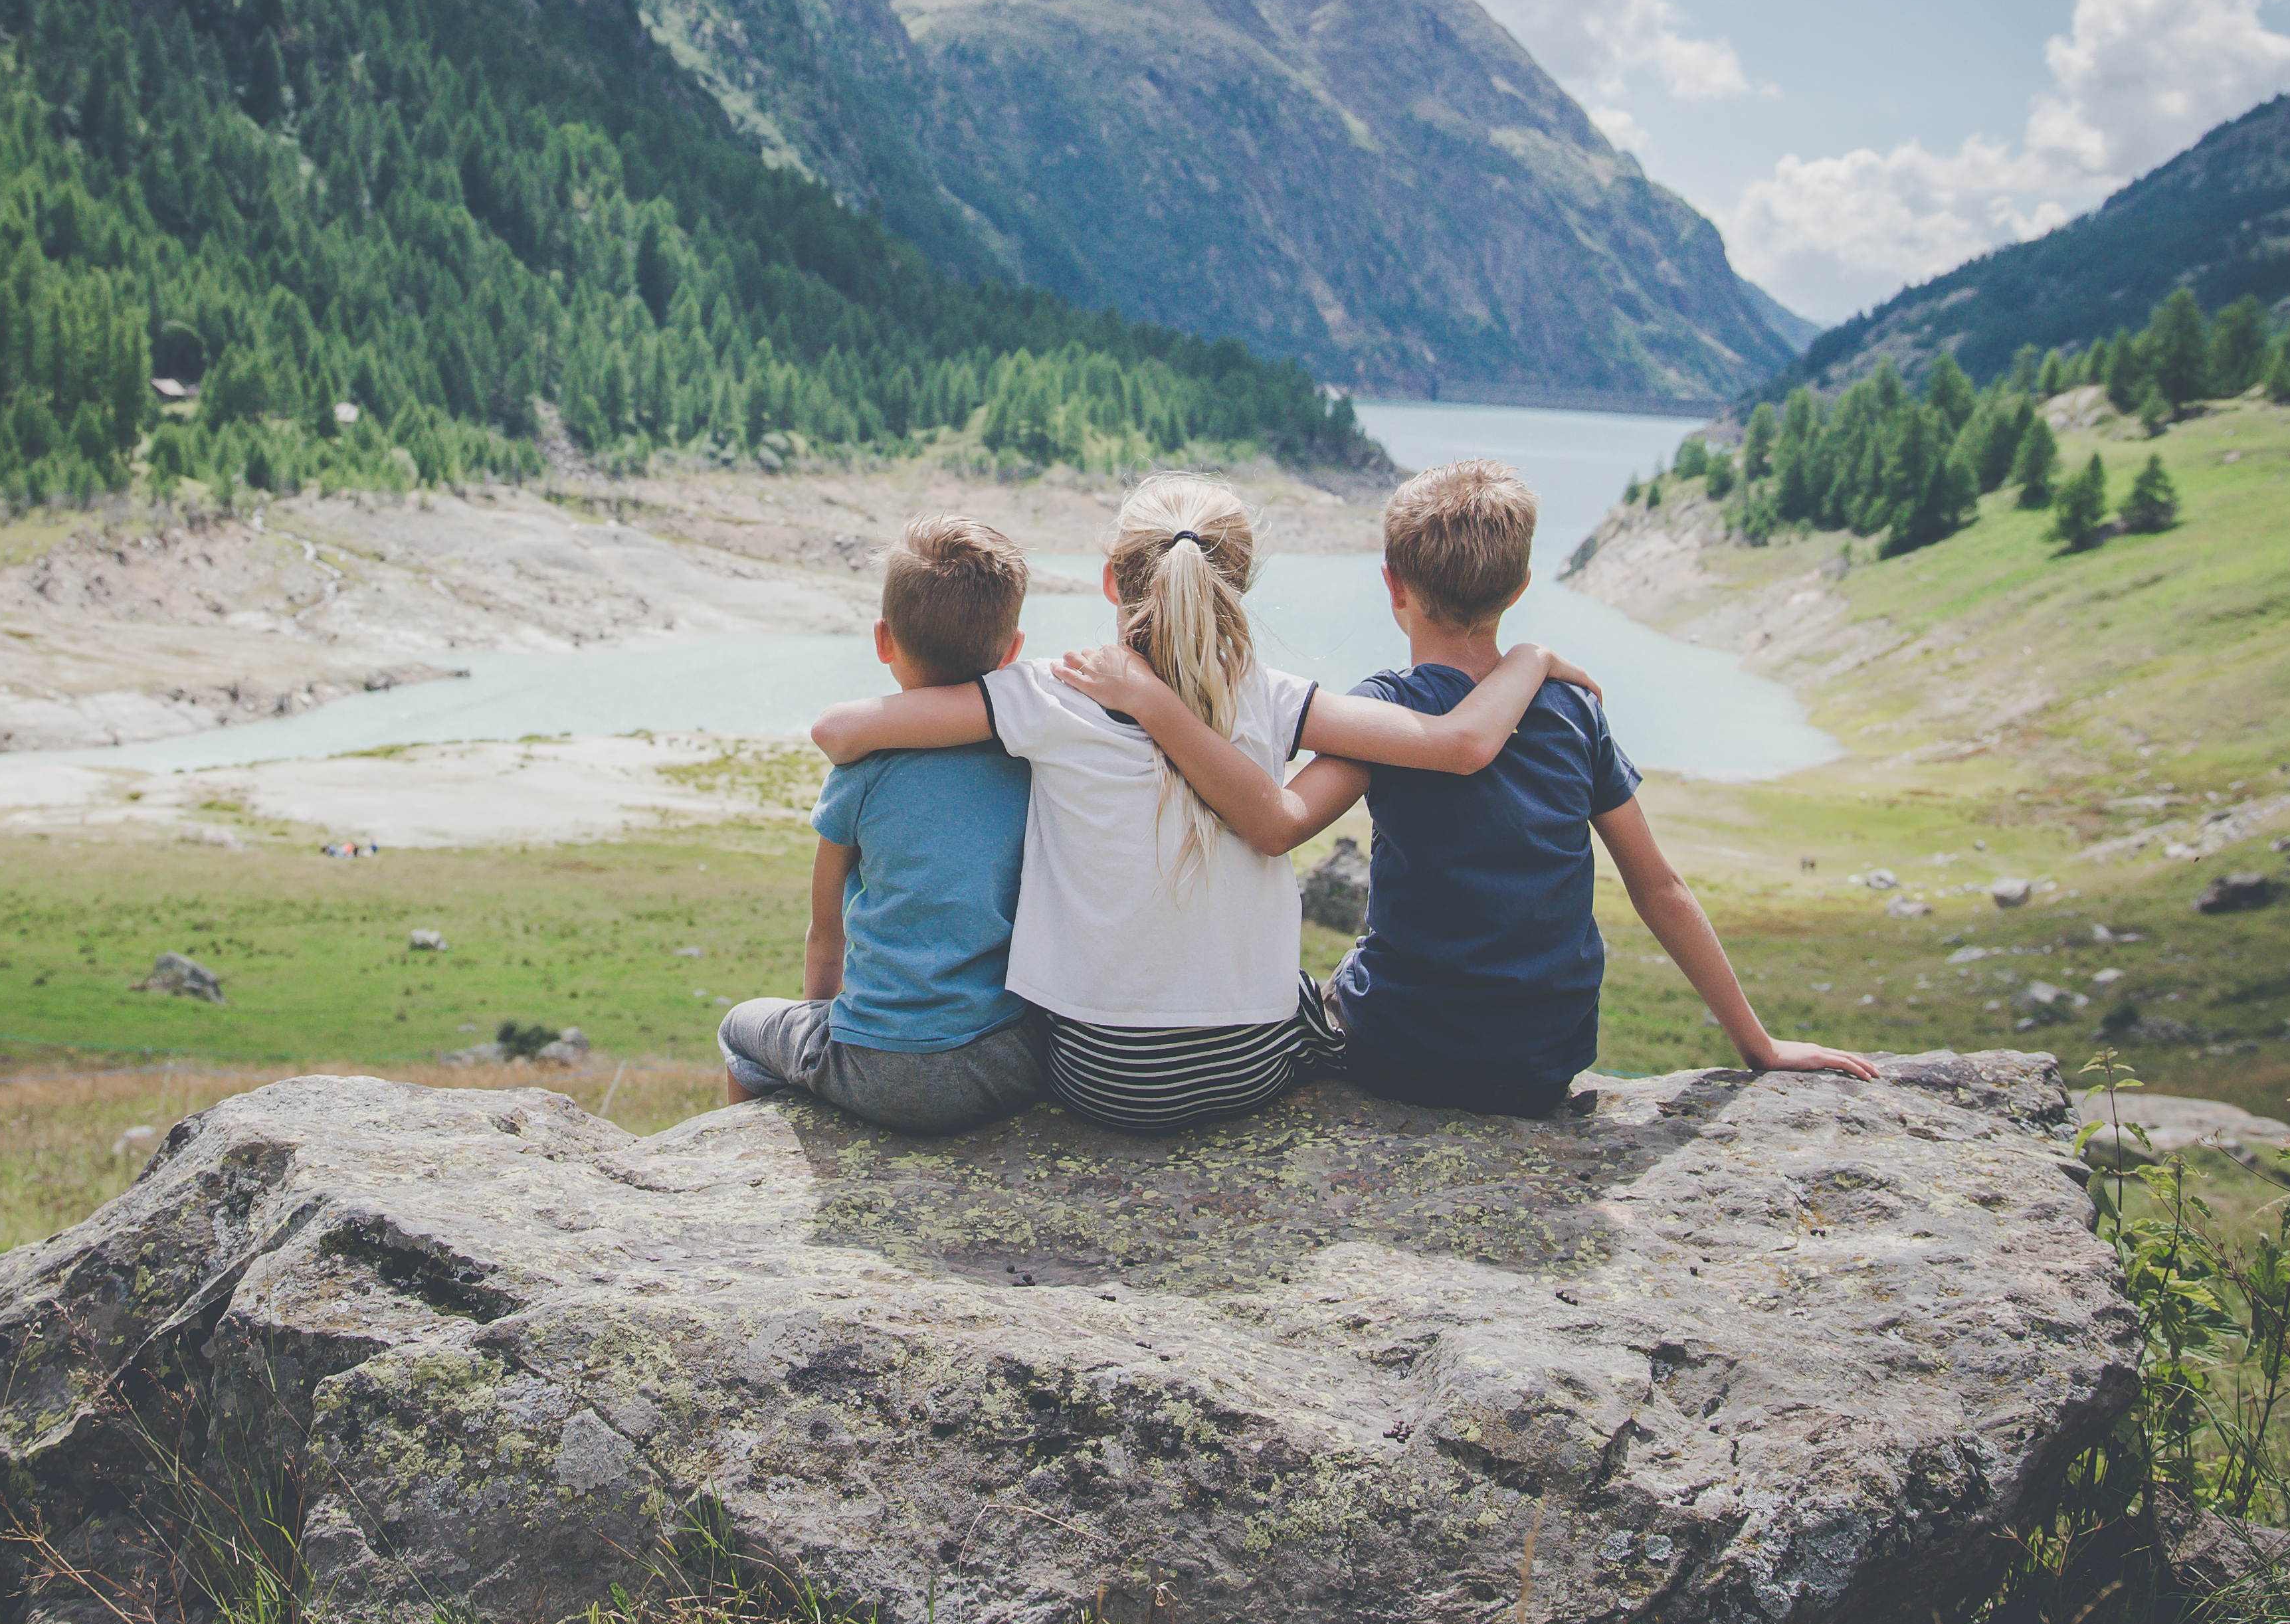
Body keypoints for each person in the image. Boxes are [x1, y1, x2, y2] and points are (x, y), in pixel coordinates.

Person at [1059, 456, 1879, 1114]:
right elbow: (1658, 887)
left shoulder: (1385, 710)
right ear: (1519, 588)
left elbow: (1278, 821)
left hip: (1399, 1054)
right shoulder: (1574, 712)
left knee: (1304, 995)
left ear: (1392, 585)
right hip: (1541, 1066)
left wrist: (1153, 704)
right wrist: (1757, 1044)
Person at [809, 472, 1584, 1134]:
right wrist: (1530, 657)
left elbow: (839, 729)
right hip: (1252, 1065)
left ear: (1110, 580)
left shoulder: (1047, 690)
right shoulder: (1274, 698)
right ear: (1234, 585)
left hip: (1095, 1073)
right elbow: (1461, 744)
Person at [719, 515, 1051, 1133]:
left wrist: (820, 1022)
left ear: (883, 640)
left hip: (882, 1071)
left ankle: (744, 1157)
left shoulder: (862, 770)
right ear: (1013, 650)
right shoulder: (1035, 760)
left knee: (740, 1029)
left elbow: (826, 932)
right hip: (1013, 1063)